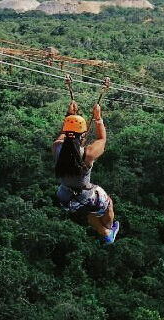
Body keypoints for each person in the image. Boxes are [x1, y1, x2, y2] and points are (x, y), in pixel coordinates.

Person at [53, 100, 119, 244]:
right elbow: (102, 140)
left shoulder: (57, 147)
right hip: (83, 196)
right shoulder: (87, 154)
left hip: (65, 198)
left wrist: (70, 116)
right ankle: (107, 231)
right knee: (107, 203)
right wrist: (98, 118)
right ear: (82, 135)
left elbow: (65, 135)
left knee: (91, 209)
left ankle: (100, 225)